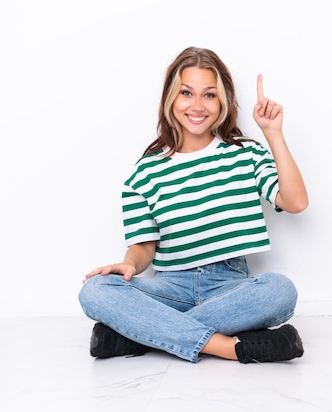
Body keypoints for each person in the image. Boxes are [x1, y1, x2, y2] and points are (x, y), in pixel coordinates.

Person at [78, 47, 308, 364]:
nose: (197, 106)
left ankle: (137, 335)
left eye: (209, 95)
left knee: (280, 290)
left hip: (230, 286)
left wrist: (274, 134)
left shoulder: (247, 154)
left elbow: (295, 202)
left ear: (223, 101)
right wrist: (130, 264)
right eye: (187, 93)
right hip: (171, 286)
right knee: (95, 290)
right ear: (171, 98)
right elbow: (144, 246)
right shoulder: (143, 173)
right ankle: (230, 347)